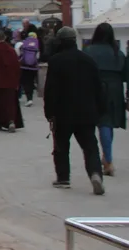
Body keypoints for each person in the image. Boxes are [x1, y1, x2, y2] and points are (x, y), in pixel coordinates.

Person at [45, 26, 106, 194]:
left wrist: (49, 113)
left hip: (63, 113)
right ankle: (95, 174)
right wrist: (100, 110)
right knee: (90, 146)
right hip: (87, 112)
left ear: (60, 42)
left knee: (61, 145)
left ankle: (63, 178)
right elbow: (98, 88)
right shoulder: (88, 60)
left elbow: (50, 90)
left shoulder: (56, 61)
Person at [83, 22, 129, 177]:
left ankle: (106, 160)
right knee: (107, 123)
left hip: (95, 87)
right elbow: (125, 75)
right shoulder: (118, 53)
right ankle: (107, 158)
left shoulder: (89, 51)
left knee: (101, 123)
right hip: (115, 90)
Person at [18, 31, 40, 106]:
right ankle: (30, 99)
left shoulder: (23, 43)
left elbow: (19, 54)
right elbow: (38, 56)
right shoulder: (37, 44)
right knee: (30, 82)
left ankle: (20, 97)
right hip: (33, 67)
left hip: (24, 66)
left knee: (23, 82)